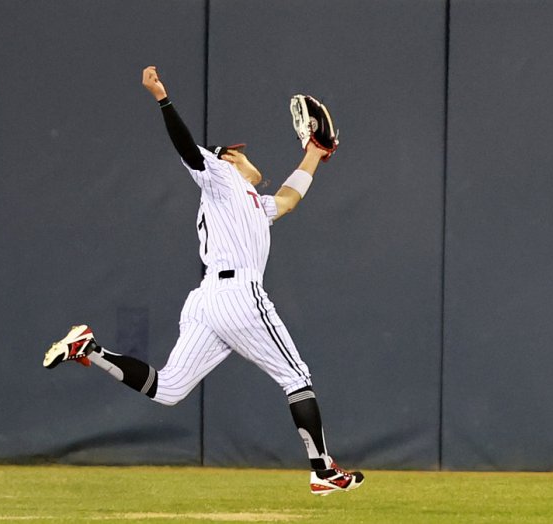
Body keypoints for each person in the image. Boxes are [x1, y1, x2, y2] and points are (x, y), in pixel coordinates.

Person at [43, 65, 363, 495]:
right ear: (227, 159)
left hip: (207, 301)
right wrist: (163, 99)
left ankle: (91, 349)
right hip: (238, 295)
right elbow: (188, 150)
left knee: (169, 388)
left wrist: (313, 153)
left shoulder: (250, 201)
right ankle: (323, 470)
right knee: (296, 377)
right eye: (239, 153)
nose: (248, 157)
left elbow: (287, 199)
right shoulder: (219, 178)